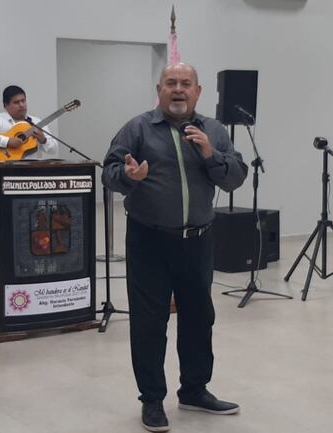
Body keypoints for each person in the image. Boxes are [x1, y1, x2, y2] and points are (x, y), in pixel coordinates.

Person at [102, 63, 248, 432]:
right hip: (149, 240)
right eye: (171, 83)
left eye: (186, 84)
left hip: (198, 241)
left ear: (198, 92)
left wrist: (210, 154)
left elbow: (235, 177)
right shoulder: (137, 128)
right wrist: (128, 176)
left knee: (199, 318)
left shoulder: (213, 130)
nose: (178, 89)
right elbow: (109, 171)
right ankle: (152, 400)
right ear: (159, 89)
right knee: (150, 323)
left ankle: (195, 390)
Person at [0, 85, 58, 160]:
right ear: (6, 105)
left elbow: (53, 150)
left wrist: (44, 140)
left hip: (32, 170)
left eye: (23, 101)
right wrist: (7, 141)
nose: (21, 105)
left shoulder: (36, 122)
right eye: (16, 102)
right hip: (5, 168)